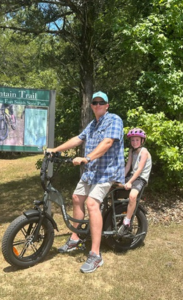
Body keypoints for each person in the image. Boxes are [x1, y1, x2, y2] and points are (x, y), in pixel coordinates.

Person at [46, 91, 124, 273]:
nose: (97, 105)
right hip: (92, 171)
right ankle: (75, 238)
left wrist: (87, 158)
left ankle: (96, 255)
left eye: (101, 102)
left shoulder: (114, 120)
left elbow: (107, 143)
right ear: (92, 106)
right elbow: (78, 139)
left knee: (92, 203)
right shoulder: (92, 124)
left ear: (107, 105)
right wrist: (55, 150)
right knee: (76, 197)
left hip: (107, 171)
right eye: (94, 102)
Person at [118, 128, 152, 235]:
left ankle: (127, 222)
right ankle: (111, 212)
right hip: (133, 176)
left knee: (133, 196)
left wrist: (129, 182)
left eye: (137, 140)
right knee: (112, 186)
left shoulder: (144, 152)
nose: (134, 142)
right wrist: (120, 178)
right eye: (132, 140)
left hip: (140, 178)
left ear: (142, 141)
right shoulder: (132, 151)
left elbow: (139, 169)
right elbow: (128, 166)